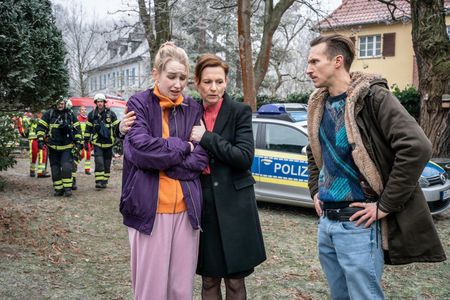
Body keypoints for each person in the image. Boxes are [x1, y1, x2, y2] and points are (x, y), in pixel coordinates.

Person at [305, 34, 446, 299]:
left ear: (337, 61)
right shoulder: (318, 104)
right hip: (327, 224)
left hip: (358, 225)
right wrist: (315, 189)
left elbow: (417, 146)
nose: (308, 69)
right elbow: (313, 151)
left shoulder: (373, 97)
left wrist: (385, 206)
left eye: (314, 61)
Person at [120, 42, 209, 299]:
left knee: (181, 289)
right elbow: (141, 151)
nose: (178, 84)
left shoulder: (192, 108)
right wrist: (183, 146)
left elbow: (200, 157)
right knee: (151, 289)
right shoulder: (139, 103)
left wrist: (166, 162)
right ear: (155, 73)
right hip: (149, 209)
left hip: (186, 209)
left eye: (183, 78)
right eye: (171, 76)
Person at [190, 54, 266, 300]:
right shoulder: (190, 112)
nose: (214, 88)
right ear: (197, 83)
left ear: (226, 82)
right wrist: (123, 128)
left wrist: (207, 138)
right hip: (204, 205)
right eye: (208, 82)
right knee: (209, 279)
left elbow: (244, 157)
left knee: (235, 281)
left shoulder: (239, 111)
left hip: (236, 206)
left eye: (219, 82)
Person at [36, 98, 82, 197]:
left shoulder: (70, 115)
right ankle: (58, 189)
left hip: (67, 147)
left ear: (65, 104)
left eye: (62, 103)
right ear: (55, 104)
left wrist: (78, 142)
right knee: (55, 169)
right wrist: (40, 139)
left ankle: (67, 188)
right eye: (58, 103)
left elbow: (77, 129)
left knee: (66, 168)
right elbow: (41, 127)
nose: (60, 105)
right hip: (53, 148)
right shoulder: (49, 114)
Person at [84, 93, 120, 189]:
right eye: (98, 102)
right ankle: (98, 181)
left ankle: (104, 181)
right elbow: (88, 129)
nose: (100, 103)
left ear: (104, 102)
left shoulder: (111, 114)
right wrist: (85, 141)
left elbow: (117, 127)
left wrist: (118, 138)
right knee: (99, 162)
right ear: (96, 103)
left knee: (107, 165)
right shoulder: (92, 114)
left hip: (109, 143)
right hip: (97, 143)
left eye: (101, 101)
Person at [20, 112, 49, 178]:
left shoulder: (44, 115)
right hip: (33, 139)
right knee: (33, 155)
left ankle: (40, 172)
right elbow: (24, 121)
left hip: (42, 139)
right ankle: (32, 171)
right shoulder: (28, 118)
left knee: (43, 155)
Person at [77, 106, 92, 175]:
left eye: (85, 110)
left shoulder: (87, 119)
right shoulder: (78, 118)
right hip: (80, 139)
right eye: (82, 110)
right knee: (81, 154)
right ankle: (74, 164)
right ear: (80, 111)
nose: (83, 111)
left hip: (87, 139)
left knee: (88, 154)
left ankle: (87, 170)